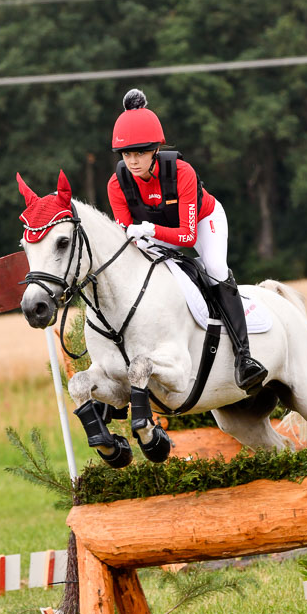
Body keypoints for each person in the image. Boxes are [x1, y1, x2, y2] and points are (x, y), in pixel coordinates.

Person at [107, 88, 267, 394]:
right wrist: (140, 238)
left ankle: (245, 358)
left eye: (140, 152)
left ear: (155, 149)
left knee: (215, 268)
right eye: (127, 154)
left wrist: (150, 231)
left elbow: (187, 236)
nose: (133, 161)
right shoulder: (117, 184)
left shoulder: (181, 172)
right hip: (157, 235)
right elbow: (127, 237)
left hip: (203, 221)